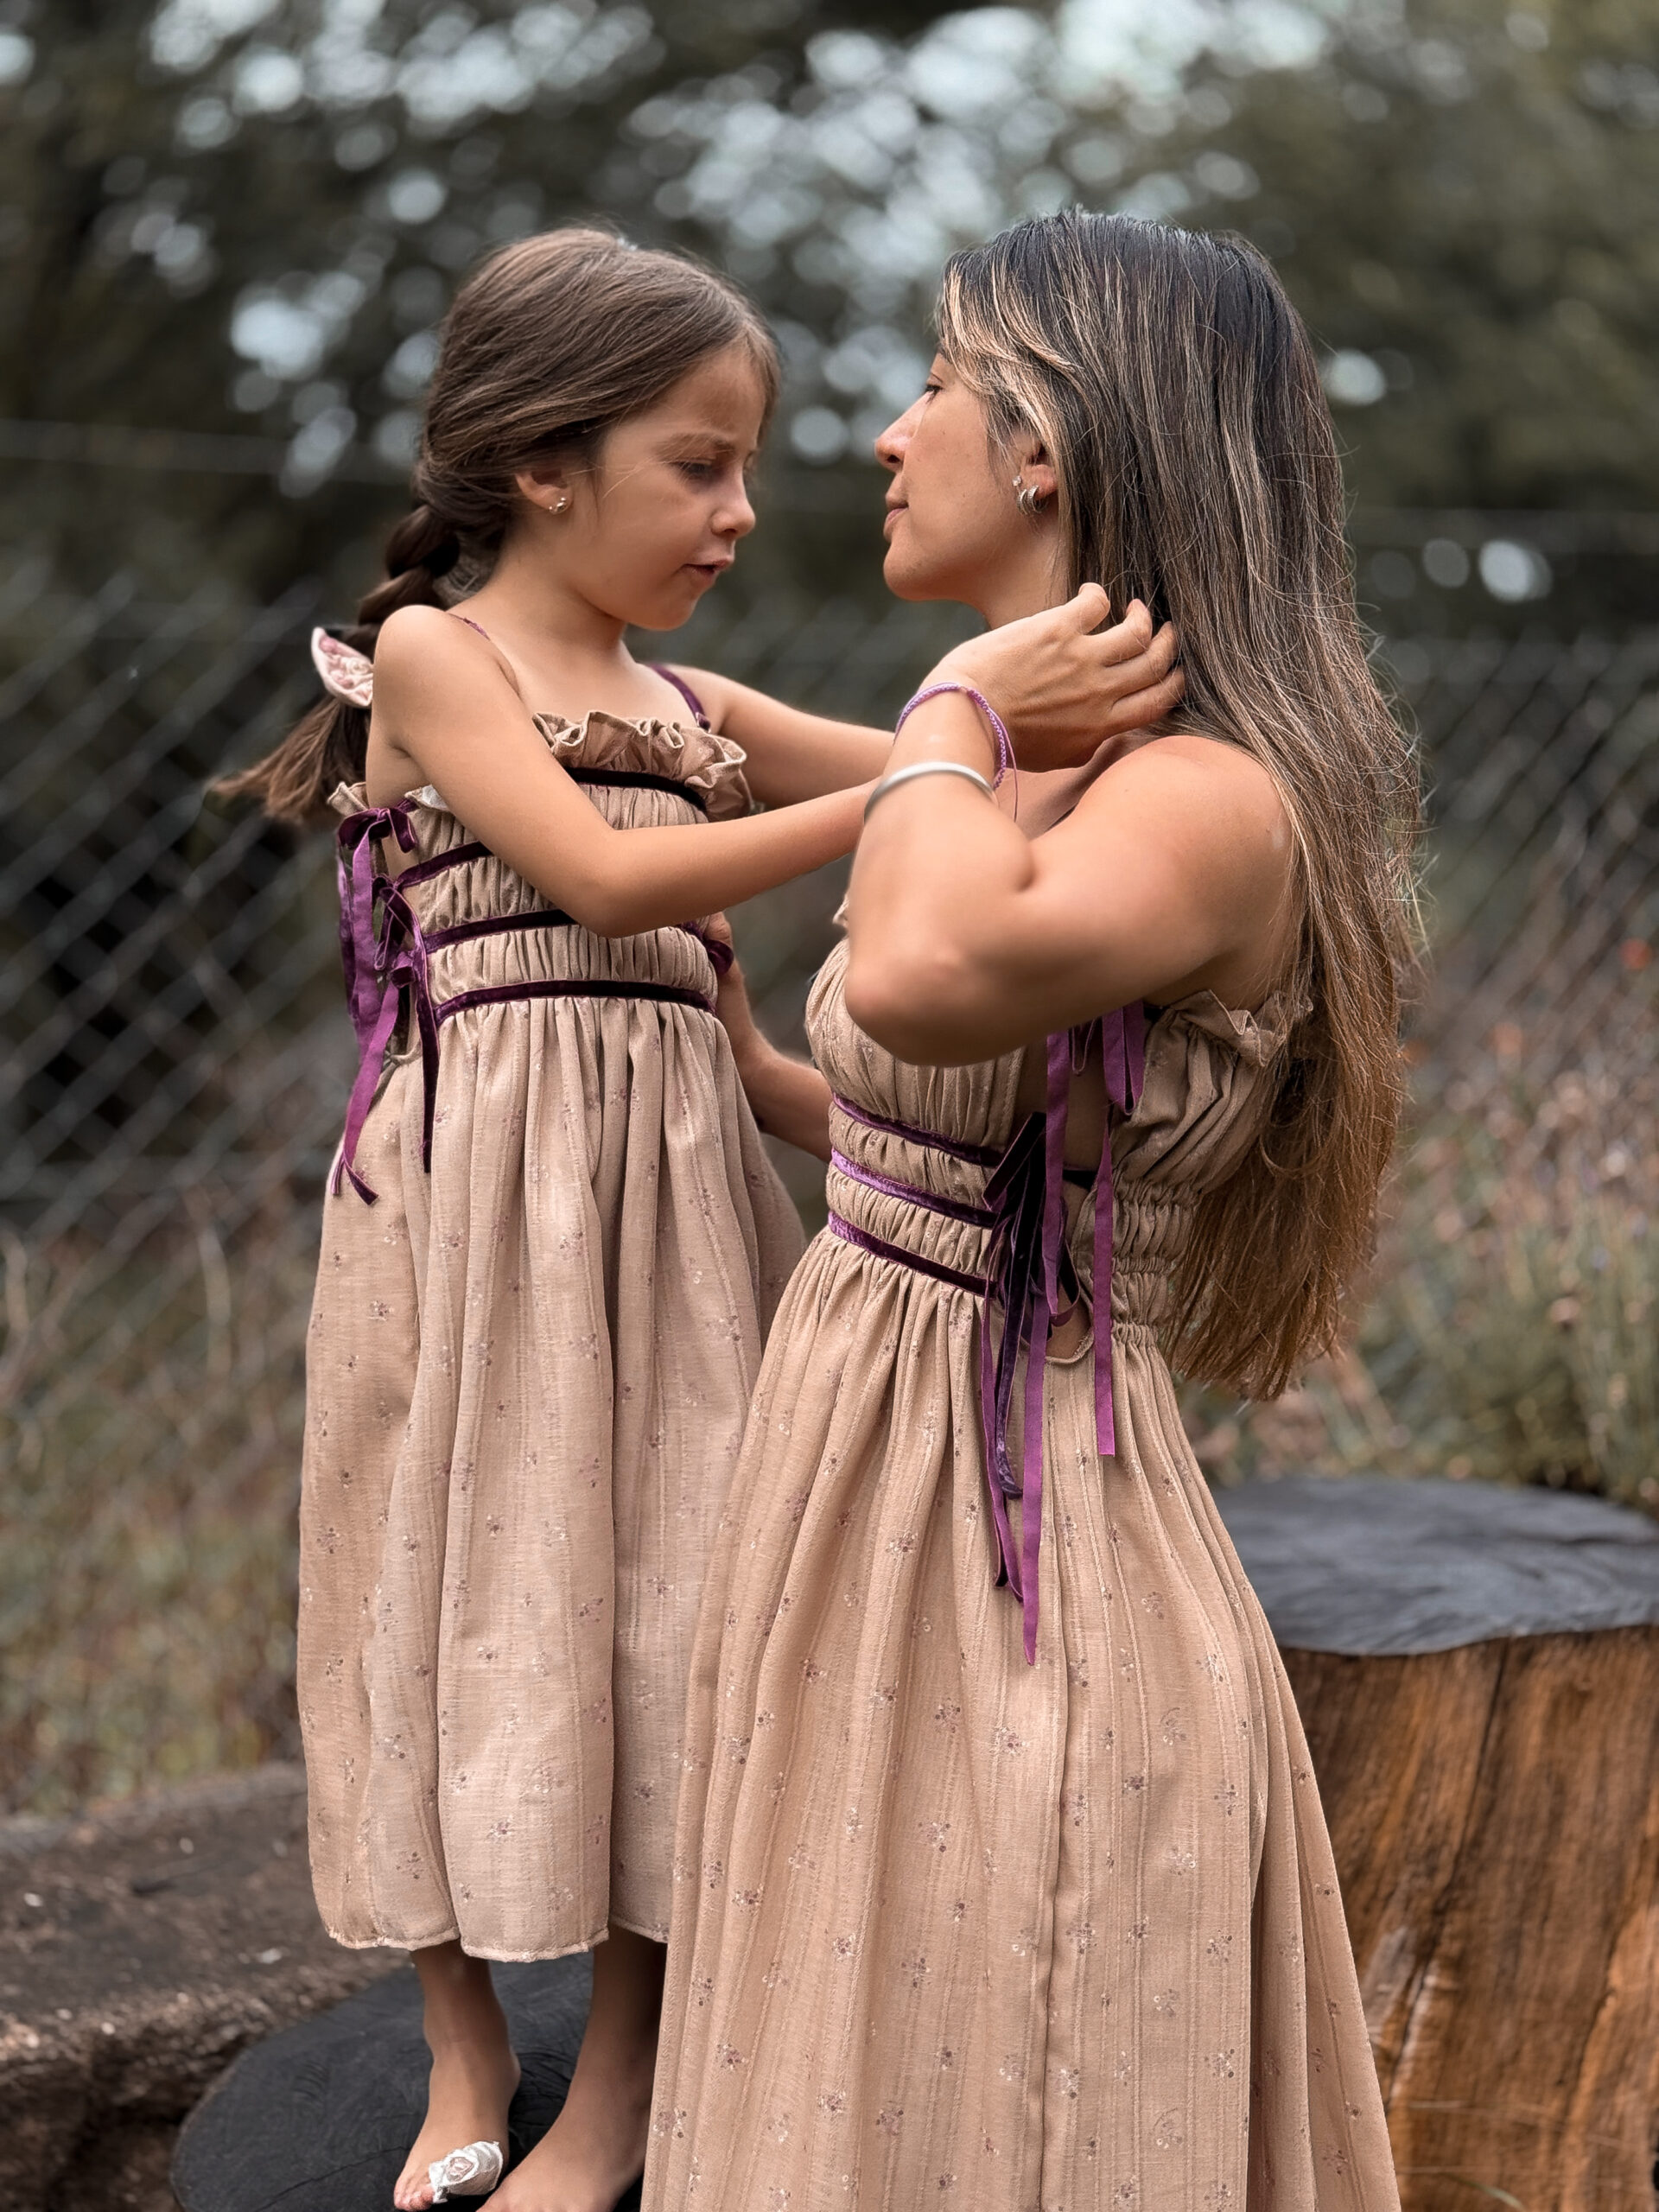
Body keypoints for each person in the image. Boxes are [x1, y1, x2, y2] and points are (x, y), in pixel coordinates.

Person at [221, 225, 1182, 2212]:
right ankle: (463, 2033)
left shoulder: (691, 697)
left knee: (681, 1611)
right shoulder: (441, 658)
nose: (743, 509)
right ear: (540, 464)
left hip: (677, 1226)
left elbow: (986, 791)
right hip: (476, 1221)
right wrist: (938, 754)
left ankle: (621, 2086)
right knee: (438, 1578)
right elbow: (606, 875)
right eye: (698, 464)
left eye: (746, 465)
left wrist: (1093, 749)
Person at [647, 211, 1417, 2211]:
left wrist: (956, 702)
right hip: (882, 1477)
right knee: (864, 2051)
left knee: (1006, 2075)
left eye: (933, 385)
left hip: (1024, 1556)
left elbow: (920, 972)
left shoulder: (1203, 797)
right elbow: (963, 1136)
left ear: (1048, 445)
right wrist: (762, 1064)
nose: (887, 437)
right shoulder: (1058, 773)